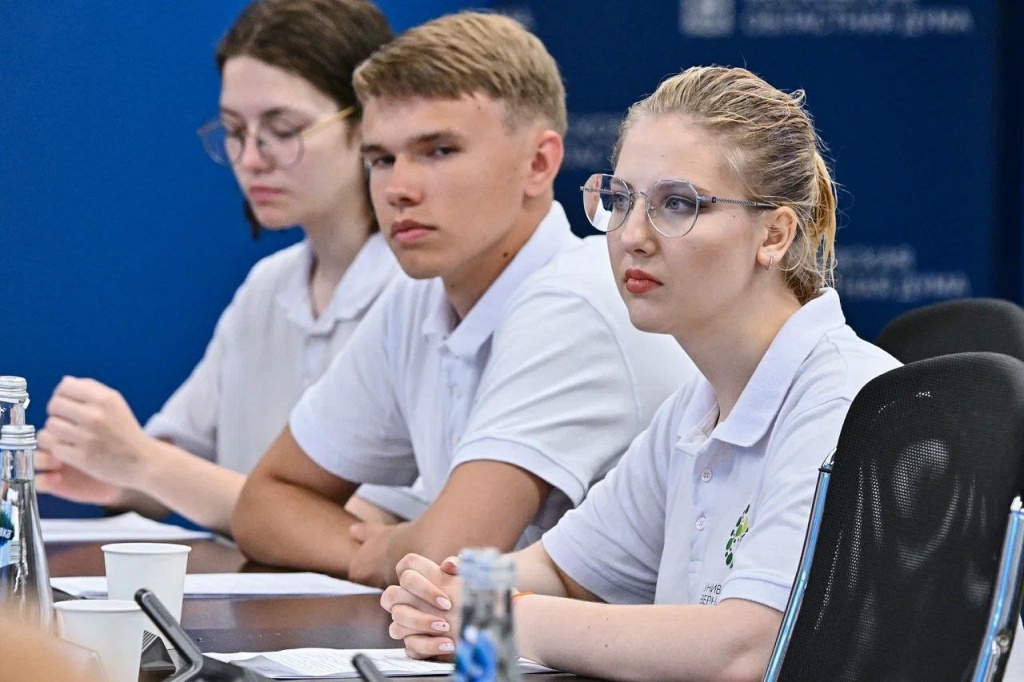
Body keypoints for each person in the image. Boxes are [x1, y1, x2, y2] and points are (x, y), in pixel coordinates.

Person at [380, 65, 902, 680]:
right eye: (621, 200)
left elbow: (750, 650)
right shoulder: (696, 407)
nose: (631, 236)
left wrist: (490, 617)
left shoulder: (847, 400)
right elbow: (562, 569)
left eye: (677, 204)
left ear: (775, 234)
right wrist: (443, 592)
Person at [231, 12, 694, 588]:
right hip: (503, 649)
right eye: (380, 159)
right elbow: (263, 505)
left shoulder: (576, 300)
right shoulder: (416, 296)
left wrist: (391, 547)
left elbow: (447, 557)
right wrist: (385, 550)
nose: (399, 187)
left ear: (539, 163)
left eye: (439, 151)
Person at [34, 0, 400, 535]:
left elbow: (360, 529)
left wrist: (142, 463)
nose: (251, 159)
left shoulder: (417, 293)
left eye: (283, 128)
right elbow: (172, 458)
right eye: (233, 130)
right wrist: (104, 466)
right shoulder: (267, 287)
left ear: (367, 122)